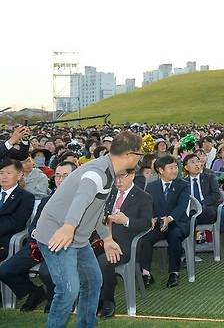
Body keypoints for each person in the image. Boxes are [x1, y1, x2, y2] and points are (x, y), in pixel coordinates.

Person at [33, 130, 142, 328]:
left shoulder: (108, 171)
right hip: (57, 235)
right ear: (129, 155)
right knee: (68, 290)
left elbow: (95, 209)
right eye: (139, 154)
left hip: (77, 238)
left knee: (93, 282)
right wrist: (68, 227)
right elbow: (81, 199)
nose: (139, 158)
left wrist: (107, 238)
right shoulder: (98, 173)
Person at [0, 161, 76, 313]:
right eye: (58, 176)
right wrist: (36, 234)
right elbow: (34, 226)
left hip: (64, 246)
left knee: (46, 272)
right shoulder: (47, 200)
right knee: (6, 270)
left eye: (65, 176)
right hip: (38, 245)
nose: (60, 180)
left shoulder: (80, 200)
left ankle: (57, 297)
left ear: (74, 177)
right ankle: (35, 292)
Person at [97, 168, 153, 318]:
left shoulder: (143, 197)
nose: (118, 181)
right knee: (83, 256)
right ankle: (90, 296)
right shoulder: (110, 193)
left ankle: (107, 300)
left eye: (122, 177)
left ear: (133, 175)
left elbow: (147, 224)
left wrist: (126, 221)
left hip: (125, 244)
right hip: (102, 239)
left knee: (103, 262)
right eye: (115, 177)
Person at [140, 154, 191, 288]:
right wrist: (150, 218)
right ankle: (146, 273)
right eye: (171, 168)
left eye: (176, 167)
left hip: (177, 222)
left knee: (174, 236)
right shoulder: (151, 186)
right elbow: (146, 205)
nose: (175, 170)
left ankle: (174, 272)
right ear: (160, 170)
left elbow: (182, 206)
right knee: (145, 238)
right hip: (158, 224)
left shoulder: (183, 185)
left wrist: (169, 219)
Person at [0, 159, 35, 262]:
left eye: (9, 173)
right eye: (1, 173)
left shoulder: (26, 197)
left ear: (19, 176)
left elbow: (16, 222)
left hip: (5, 240)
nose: (4, 176)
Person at [183, 153, 222, 225]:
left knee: (191, 216)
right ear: (186, 167)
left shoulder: (210, 178)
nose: (197, 164)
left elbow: (216, 194)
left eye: (198, 161)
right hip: (190, 210)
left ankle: (195, 233)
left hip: (207, 208)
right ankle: (196, 233)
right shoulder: (183, 182)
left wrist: (200, 204)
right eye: (193, 162)